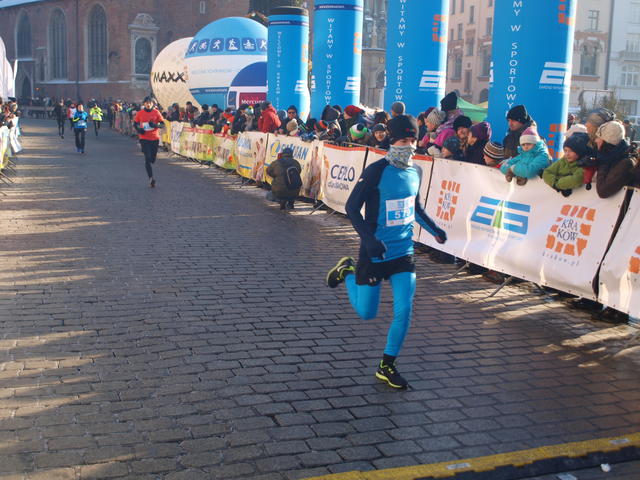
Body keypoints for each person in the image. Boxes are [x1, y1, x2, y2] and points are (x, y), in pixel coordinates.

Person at [326, 115, 447, 390]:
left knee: (404, 310)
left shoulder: (416, 172)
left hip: (403, 253)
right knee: (367, 313)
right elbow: (351, 208)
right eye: (404, 140)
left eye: (413, 140)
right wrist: (368, 240)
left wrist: (435, 230)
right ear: (392, 140)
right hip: (375, 253)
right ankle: (347, 272)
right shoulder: (376, 171)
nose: (409, 146)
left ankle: (387, 365)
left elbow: (415, 208)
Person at [594, 121, 639, 198]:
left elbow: (603, 191)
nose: (596, 140)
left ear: (607, 142)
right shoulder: (612, 156)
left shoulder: (626, 162)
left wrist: (602, 163)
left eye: (599, 138)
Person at [543, 132, 591, 197]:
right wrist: (555, 183)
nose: (567, 154)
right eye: (565, 150)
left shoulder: (585, 164)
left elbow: (577, 179)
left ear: (579, 152)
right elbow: (547, 172)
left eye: (571, 151)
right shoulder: (563, 160)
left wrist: (558, 184)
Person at [133, 96, 165, 188]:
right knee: (147, 158)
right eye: (146, 103)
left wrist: (155, 125)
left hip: (154, 138)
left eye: (150, 103)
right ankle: (151, 178)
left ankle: (151, 161)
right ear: (144, 104)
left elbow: (162, 124)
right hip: (144, 138)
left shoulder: (156, 112)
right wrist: (139, 130)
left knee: (152, 159)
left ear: (152, 104)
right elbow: (135, 124)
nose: (148, 104)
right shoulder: (140, 113)